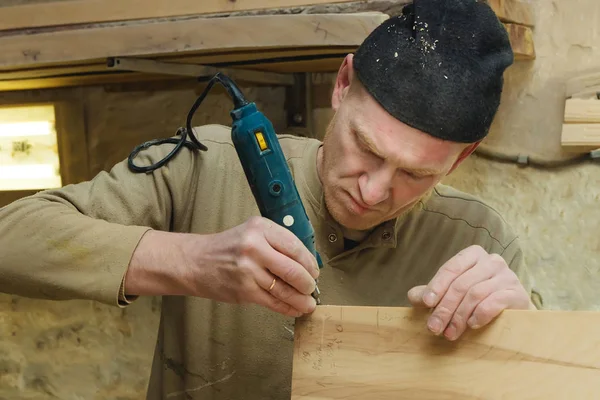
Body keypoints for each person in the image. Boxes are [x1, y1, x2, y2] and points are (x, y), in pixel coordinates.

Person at [0, 0, 541, 399]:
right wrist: (190, 263)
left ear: (462, 158)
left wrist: (521, 340)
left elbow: (540, 377)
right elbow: (12, 239)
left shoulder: (478, 239)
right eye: (365, 147)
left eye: (416, 175)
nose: (374, 191)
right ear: (342, 83)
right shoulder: (206, 163)